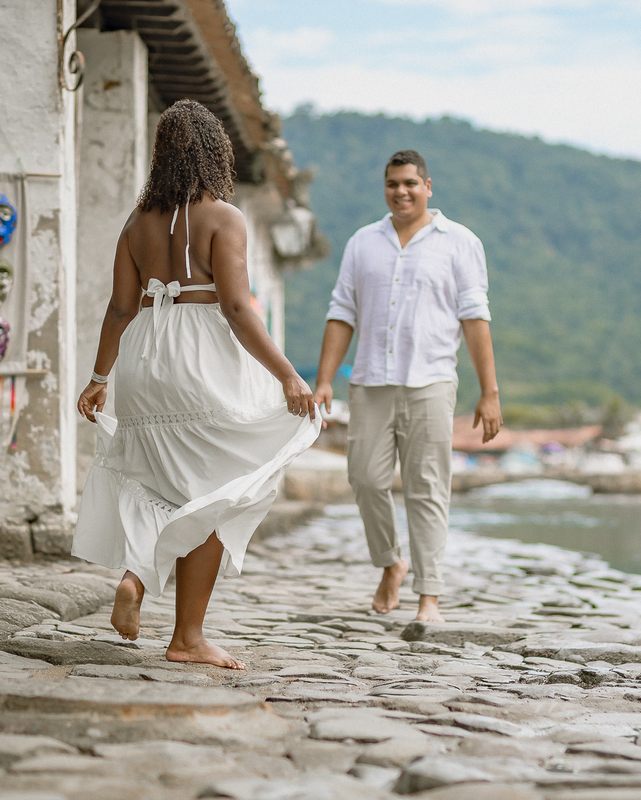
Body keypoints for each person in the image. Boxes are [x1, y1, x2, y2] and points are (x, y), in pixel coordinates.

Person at [74, 100, 320, 669]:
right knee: (217, 489)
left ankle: (136, 578)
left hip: (144, 361)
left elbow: (119, 308)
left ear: (162, 156)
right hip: (200, 358)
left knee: (159, 483)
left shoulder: (137, 224)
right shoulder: (225, 218)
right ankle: (187, 637)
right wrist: (287, 374)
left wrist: (98, 378)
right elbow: (236, 306)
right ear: (215, 153)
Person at [314, 149, 502, 623]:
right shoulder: (363, 242)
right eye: (392, 184)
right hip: (370, 382)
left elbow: (475, 318)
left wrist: (489, 393)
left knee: (427, 488)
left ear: (428, 187)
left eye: (410, 183)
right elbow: (342, 312)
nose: (401, 192)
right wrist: (323, 381)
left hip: (430, 382)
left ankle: (428, 597)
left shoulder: (460, 242)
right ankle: (390, 563)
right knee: (365, 479)